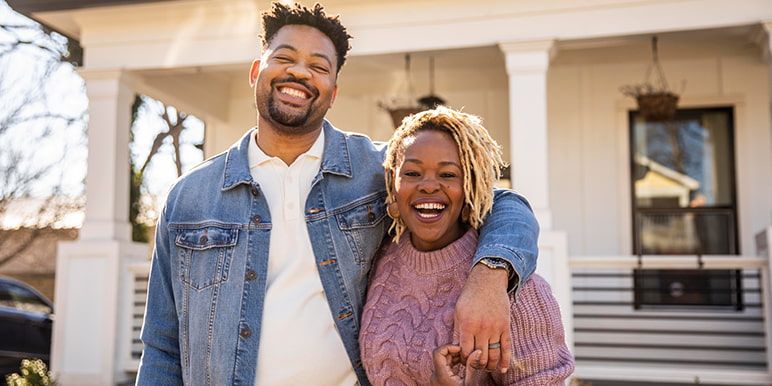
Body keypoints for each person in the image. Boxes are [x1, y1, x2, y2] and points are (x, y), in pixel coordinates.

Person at [136, 3, 540, 385]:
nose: (299, 72)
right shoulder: (190, 197)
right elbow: (162, 345)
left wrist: (490, 277)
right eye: (284, 57)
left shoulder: (376, 169)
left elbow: (502, 201)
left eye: (318, 66)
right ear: (256, 71)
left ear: (332, 92)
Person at [359, 107, 574, 385]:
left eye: (448, 175)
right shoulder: (378, 255)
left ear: (471, 185)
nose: (428, 186)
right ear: (392, 182)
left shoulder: (510, 289)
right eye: (412, 173)